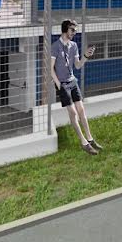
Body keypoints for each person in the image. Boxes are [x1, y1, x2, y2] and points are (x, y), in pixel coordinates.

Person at [51, 19, 103, 155]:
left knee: (81, 110)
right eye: (72, 30)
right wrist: (59, 86)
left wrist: (86, 56)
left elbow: (78, 65)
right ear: (65, 29)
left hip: (72, 81)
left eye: (75, 30)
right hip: (62, 84)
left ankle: (90, 139)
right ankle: (83, 142)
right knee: (73, 113)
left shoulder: (73, 46)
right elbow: (51, 69)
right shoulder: (55, 46)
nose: (74, 32)